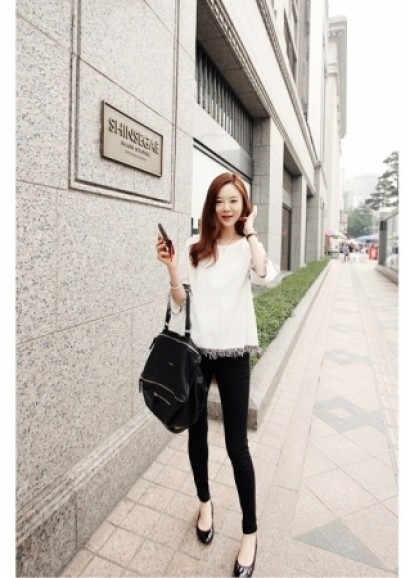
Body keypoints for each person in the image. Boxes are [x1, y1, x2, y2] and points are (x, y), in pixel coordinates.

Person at [156, 172, 279, 577]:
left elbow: (266, 276)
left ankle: (250, 533)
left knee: (236, 445)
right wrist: (171, 268)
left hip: (234, 356)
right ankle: (205, 504)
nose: (226, 208)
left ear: (243, 207)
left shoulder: (247, 248)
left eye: (234, 201)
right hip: (198, 356)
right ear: (211, 205)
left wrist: (252, 231)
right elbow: (180, 302)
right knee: (197, 436)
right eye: (220, 201)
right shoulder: (196, 247)